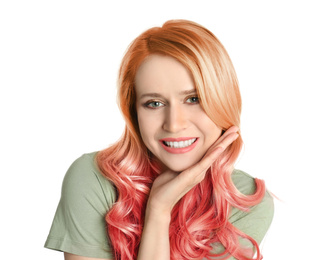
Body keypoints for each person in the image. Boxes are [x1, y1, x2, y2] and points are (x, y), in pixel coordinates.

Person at [44, 19, 274, 260]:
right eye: (154, 103)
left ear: (224, 100)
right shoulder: (94, 177)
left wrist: (159, 210)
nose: (174, 124)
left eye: (193, 99)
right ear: (134, 112)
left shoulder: (246, 201)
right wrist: (158, 211)